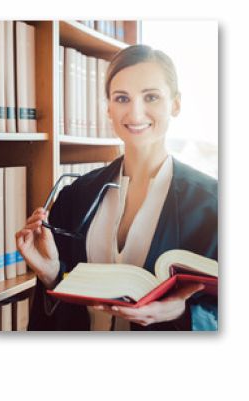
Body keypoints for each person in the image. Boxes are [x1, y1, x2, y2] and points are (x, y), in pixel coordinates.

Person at [16, 44, 218, 331]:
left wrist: (182, 312)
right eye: (122, 98)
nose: (135, 114)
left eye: (151, 97)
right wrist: (51, 275)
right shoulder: (74, 196)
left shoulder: (213, 205)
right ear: (108, 108)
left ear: (175, 104)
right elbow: (55, 312)